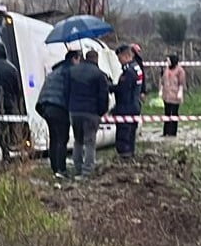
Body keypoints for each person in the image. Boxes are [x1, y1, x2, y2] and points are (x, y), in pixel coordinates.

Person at [68, 49, 111, 178]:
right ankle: (87, 171)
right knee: (90, 142)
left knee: (78, 141)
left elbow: (67, 91)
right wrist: (101, 112)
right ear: (96, 59)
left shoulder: (72, 71)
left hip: (74, 111)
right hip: (91, 112)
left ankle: (77, 168)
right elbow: (103, 96)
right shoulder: (99, 74)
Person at [37, 50, 78, 177]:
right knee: (62, 138)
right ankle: (61, 169)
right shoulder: (70, 71)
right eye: (79, 59)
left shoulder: (56, 70)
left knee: (54, 138)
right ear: (74, 59)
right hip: (58, 107)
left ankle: (54, 168)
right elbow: (69, 92)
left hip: (44, 105)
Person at [111, 45, 143, 157]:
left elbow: (123, 90)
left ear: (126, 56)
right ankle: (129, 155)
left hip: (126, 107)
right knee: (130, 136)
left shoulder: (129, 71)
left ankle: (125, 157)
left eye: (120, 59)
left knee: (124, 136)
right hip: (134, 105)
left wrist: (110, 87)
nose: (119, 62)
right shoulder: (136, 67)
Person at [159, 54, 186, 137]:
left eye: (169, 60)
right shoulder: (166, 69)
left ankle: (173, 132)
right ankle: (165, 132)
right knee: (166, 114)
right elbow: (163, 80)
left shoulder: (180, 71)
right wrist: (161, 90)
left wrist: (180, 92)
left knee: (174, 114)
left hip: (175, 95)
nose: (167, 62)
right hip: (166, 95)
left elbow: (181, 82)